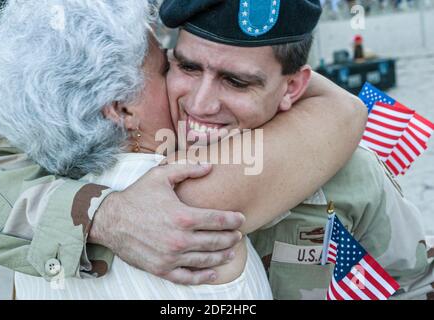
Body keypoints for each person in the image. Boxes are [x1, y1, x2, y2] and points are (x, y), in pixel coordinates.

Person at [0, 0, 367, 296]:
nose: (200, 105)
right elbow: (344, 110)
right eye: (177, 67)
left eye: (236, 80)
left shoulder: (32, 236)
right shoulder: (186, 201)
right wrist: (108, 216)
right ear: (120, 108)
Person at [160, 0, 434, 300]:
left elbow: (413, 283)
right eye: (188, 67)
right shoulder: (131, 142)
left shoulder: (349, 173)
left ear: (292, 88)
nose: (199, 105)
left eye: (236, 82)